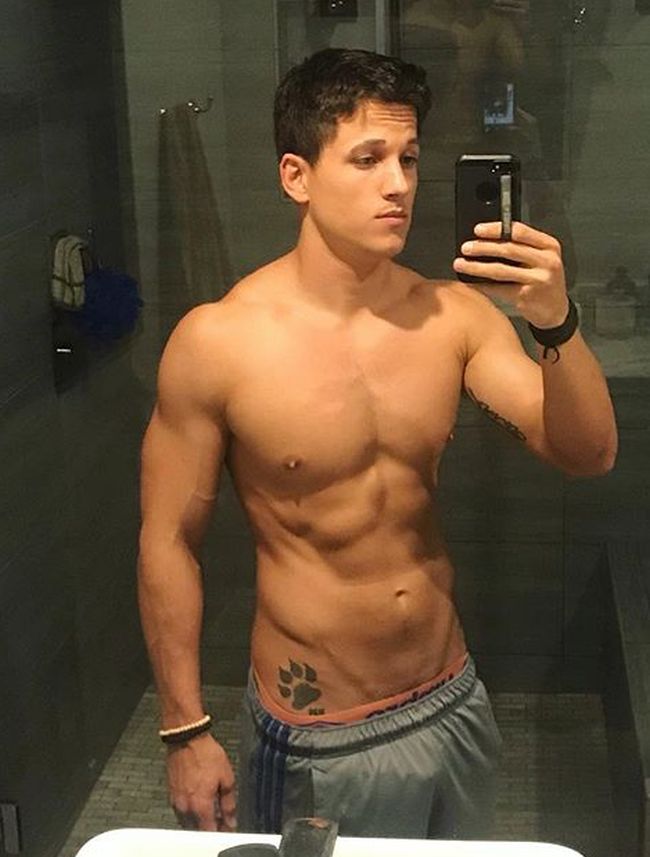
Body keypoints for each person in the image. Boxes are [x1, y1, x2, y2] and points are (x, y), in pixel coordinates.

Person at [137, 48, 617, 841]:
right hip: (317, 726)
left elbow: (587, 452)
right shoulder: (219, 343)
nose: (398, 183)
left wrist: (555, 323)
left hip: (451, 697)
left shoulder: (452, 317)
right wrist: (185, 730)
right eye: (367, 159)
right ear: (297, 176)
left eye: (409, 158)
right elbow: (167, 541)